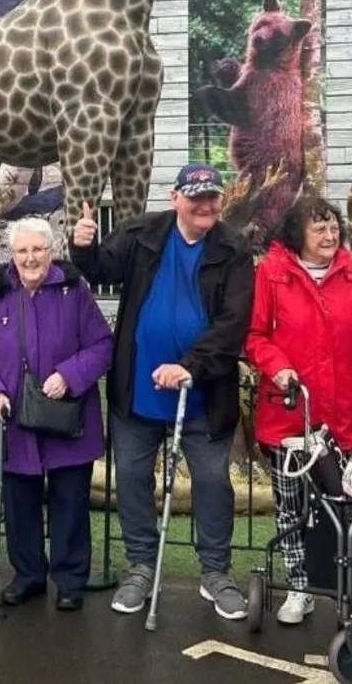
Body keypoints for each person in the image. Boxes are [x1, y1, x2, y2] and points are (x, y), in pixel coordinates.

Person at [69, 163, 255, 620]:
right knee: (133, 480)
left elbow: (233, 324)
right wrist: (83, 246)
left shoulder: (233, 249)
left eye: (212, 197)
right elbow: (100, 270)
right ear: (175, 198)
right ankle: (141, 568)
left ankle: (216, 572)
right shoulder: (142, 233)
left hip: (203, 392)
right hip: (138, 389)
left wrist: (188, 366)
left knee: (212, 482)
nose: (205, 205)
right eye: (196, 197)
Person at [244, 196, 352, 628]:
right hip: (290, 413)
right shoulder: (272, 271)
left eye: (333, 227)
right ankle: (300, 586)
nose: (330, 235)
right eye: (319, 228)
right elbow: (254, 336)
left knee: (351, 504)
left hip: (345, 414)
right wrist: (279, 367)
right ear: (297, 234)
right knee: (292, 508)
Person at [0, 218, 112, 611]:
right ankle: (28, 574)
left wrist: (69, 375)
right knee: (19, 504)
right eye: (22, 251)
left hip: (66, 416)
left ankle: (69, 580)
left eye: (38, 249)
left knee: (69, 502)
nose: (30, 258)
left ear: (52, 251)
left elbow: (101, 345)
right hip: (13, 418)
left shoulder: (73, 289)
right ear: (11, 255)